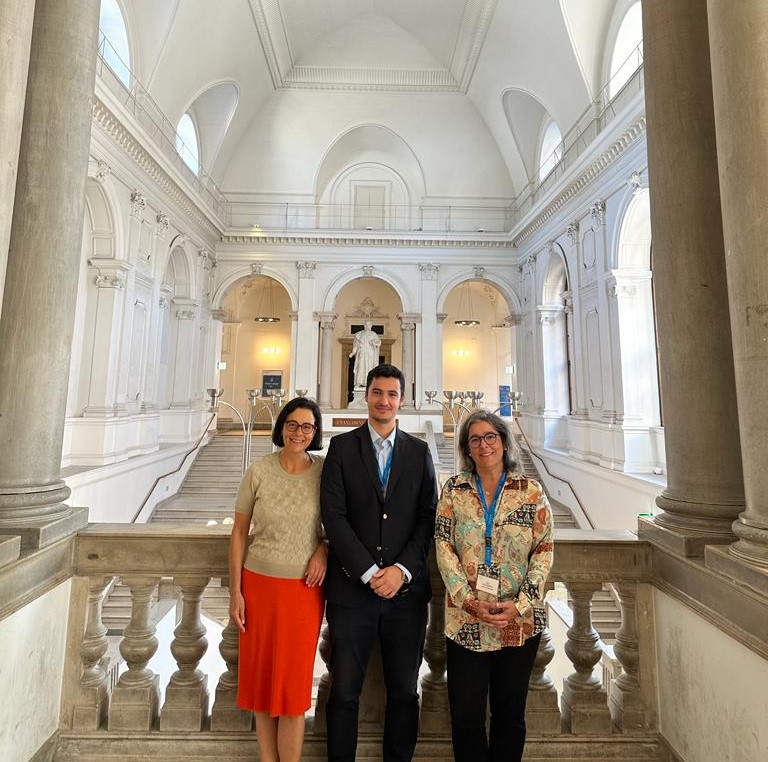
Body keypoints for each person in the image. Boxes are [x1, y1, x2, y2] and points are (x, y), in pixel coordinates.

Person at [321, 363, 438, 762]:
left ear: (401, 400)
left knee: (404, 692)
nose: (384, 400)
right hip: (352, 594)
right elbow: (333, 517)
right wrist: (370, 572)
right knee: (343, 691)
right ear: (366, 395)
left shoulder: (419, 452)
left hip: (406, 598)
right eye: (377, 392)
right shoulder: (341, 448)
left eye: (391, 394)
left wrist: (401, 571)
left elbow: (428, 517)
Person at [435, 409, 553, 762]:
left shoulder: (530, 492)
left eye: (490, 436)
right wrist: (469, 601)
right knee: (466, 717)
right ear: (467, 448)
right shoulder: (454, 490)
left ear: (503, 442)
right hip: (466, 621)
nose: (484, 445)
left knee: (509, 715)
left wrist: (520, 605)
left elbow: (543, 551)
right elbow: (444, 547)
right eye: (475, 439)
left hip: (518, 622)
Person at [229, 397, 327, 762]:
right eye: (292, 424)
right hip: (259, 587)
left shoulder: (325, 472)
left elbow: (340, 524)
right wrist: (235, 592)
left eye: (307, 427)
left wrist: (324, 549)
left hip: (303, 592)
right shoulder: (258, 471)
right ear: (282, 427)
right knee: (261, 687)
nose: (299, 433)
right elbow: (239, 533)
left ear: (315, 433)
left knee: (293, 693)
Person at [349, 320, 381, 388]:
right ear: (364, 326)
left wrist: (375, 343)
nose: (367, 326)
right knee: (361, 367)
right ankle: (359, 382)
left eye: (369, 325)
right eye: (366, 324)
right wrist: (353, 353)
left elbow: (378, 343)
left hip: (370, 355)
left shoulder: (374, 334)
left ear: (371, 326)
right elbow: (356, 345)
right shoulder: (359, 334)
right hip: (362, 353)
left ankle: (369, 382)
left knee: (370, 368)